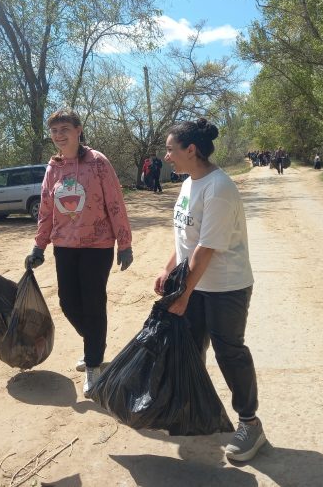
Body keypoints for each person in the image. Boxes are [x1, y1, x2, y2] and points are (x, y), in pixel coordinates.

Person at [154, 118, 265, 462]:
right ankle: (196, 409)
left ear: (191, 150)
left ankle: (250, 424)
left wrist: (184, 293)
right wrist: (168, 267)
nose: (167, 156)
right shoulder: (190, 183)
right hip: (195, 283)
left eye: (171, 149)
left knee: (229, 352)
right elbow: (186, 238)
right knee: (189, 348)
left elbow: (205, 249)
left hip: (226, 287)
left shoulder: (218, 187)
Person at [25, 108, 133, 398]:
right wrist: (39, 245)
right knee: (68, 302)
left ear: (78, 130)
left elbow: (115, 203)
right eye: (55, 131)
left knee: (93, 303)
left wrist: (125, 242)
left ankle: (94, 364)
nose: (59, 136)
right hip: (65, 245)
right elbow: (46, 210)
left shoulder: (98, 162)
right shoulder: (54, 168)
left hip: (97, 246)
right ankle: (94, 343)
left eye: (65, 130)